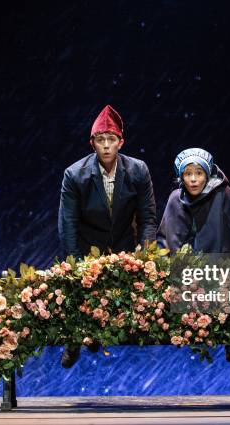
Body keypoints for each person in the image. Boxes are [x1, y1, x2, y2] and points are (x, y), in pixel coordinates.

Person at [58, 104, 157, 367]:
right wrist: (77, 266)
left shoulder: (138, 171)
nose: (105, 145)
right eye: (100, 140)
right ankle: (75, 339)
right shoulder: (75, 175)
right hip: (87, 247)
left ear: (120, 142)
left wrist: (144, 258)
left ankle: (100, 336)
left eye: (110, 139)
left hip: (125, 249)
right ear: (92, 143)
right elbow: (67, 224)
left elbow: (148, 218)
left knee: (134, 298)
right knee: (74, 295)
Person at [157, 148, 230, 254]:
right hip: (181, 265)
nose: (193, 179)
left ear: (207, 175)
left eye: (199, 173)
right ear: (181, 177)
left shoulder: (222, 193)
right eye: (188, 174)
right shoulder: (176, 198)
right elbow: (165, 242)